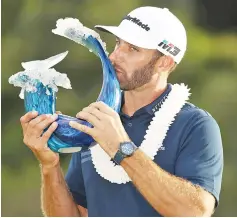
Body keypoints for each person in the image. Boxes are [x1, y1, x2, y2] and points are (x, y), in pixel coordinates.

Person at [20, 6, 223, 217]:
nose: (115, 56)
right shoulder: (93, 122)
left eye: (133, 49)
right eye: (118, 43)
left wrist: (120, 147)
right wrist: (49, 165)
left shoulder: (196, 125)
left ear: (165, 62)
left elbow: (195, 212)